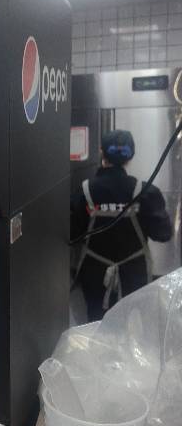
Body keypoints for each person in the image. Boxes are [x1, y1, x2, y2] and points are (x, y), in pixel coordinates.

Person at [71, 129, 172, 321]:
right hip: (135, 275)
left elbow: (71, 234)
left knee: (96, 325)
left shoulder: (85, 192)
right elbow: (164, 234)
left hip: (95, 276)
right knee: (133, 326)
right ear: (130, 156)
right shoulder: (145, 192)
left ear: (102, 152)